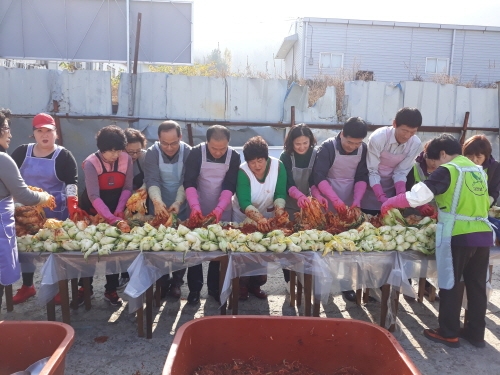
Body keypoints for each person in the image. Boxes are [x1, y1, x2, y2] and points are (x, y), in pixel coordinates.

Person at [381, 134, 492, 348]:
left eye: (435, 160)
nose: (434, 166)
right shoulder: (477, 170)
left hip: (459, 234)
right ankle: (476, 333)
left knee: (450, 283)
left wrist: (390, 202)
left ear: (442, 153)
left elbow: (418, 196)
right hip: (482, 234)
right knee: (477, 285)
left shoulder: (449, 169)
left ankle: (448, 332)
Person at [10, 113, 79, 305]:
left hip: (55, 212)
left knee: (55, 251)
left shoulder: (64, 156)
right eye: (40, 131)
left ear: (55, 133)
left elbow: (71, 183)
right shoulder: (21, 152)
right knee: (26, 249)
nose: (44, 135)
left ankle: (58, 288)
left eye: (48, 130)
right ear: (33, 134)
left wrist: (73, 205)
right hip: (26, 212)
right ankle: (27, 286)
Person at [0, 109, 54, 307]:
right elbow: (23, 195)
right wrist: (45, 197)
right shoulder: (3, 158)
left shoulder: (62, 155)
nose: (10, 134)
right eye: (6, 128)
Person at [312, 117, 369, 302]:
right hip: (327, 200)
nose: (352, 146)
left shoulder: (363, 149)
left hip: (351, 199)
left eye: (357, 143)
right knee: (327, 245)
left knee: (348, 246)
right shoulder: (327, 147)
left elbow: (362, 175)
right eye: (349, 142)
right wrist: (334, 200)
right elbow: (318, 176)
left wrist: (357, 200)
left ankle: (346, 284)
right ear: (342, 134)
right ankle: (324, 283)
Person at [184, 125, 240, 304]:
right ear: (206, 142)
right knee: (195, 248)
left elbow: (230, 185)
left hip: (222, 208)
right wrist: (194, 206)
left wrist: (219, 209)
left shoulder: (234, 156)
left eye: (222, 148)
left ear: (228, 143)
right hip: (198, 205)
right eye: (214, 148)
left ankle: (214, 288)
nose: (218, 152)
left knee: (218, 248)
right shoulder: (195, 153)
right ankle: (194, 290)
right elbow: (189, 181)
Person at [78, 125, 134, 307]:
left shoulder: (126, 159)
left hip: (116, 203)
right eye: (111, 152)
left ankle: (111, 289)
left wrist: (118, 210)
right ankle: (85, 287)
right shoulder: (90, 163)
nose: (116, 155)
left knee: (114, 250)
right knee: (90, 248)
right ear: (101, 149)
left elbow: (127, 187)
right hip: (94, 208)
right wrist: (110, 218)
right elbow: (93, 195)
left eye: (119, 151)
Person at [232, 136, 287, 300]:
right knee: (245, 252)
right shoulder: (243, 171)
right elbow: (244, 201)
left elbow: (280, 193)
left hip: (268, 215)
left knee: (263, 252)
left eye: (260, 161)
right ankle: (241, 286)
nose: (256, 165)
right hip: (245, 216)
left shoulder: (278, 166)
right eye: (252, 162)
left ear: (266, 157)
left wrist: (279, 211)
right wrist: (258, 219)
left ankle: (256, 285)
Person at [144, 121, 191, 301]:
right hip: (159, 206)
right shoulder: (152, 153)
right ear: (159, 139)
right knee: (159, 246)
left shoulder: (188, 152)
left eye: (173, 143)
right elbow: (152, 179)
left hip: (182, 205)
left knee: (180, 248)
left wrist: (178, 202)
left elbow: (186, 181)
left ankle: (177, 283)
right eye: (165, 143)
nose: (169, 147)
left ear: (180, 137)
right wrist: (156, 201)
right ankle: (161, 281)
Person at [279, 124, 321, 292]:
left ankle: (307, 278)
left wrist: (315, 197)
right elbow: (287, 182)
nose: (302, 147)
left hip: (311, 207)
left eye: (305, 143)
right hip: (290, 205)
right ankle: (289, 280)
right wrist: (299, 196)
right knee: (289, 245)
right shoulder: (286, 156)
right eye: (298, 144)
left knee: (308, 244)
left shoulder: (315, 154)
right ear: (291, 143)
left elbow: (316, 179)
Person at [361, 107, 422, 215]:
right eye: (404, 130)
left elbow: (401, 172)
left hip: (392, 186)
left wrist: (400, 196)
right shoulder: (378, 138)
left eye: (412, 132)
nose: (407, 136)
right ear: (394, 124)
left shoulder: (415, 143)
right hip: (371, 187)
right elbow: (372, 170)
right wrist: (381, 196)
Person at [117, 128, 148, 290]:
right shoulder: (117, 159)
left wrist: (142, 191)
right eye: (130, 152)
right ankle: (124, 275)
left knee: (139, 240)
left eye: (137, 151)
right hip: (120, 204)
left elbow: (150, 177)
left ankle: (140, 275)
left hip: (141, 207)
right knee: (123, 241)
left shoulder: (144, 158)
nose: (134, 155)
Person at [462, 135, 500, 207]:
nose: (474, 160)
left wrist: (482, 206)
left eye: (478, 157)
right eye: (469, 156)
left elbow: (494, 192)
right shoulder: (459, 166)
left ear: (486, 156)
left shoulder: (495, 167)